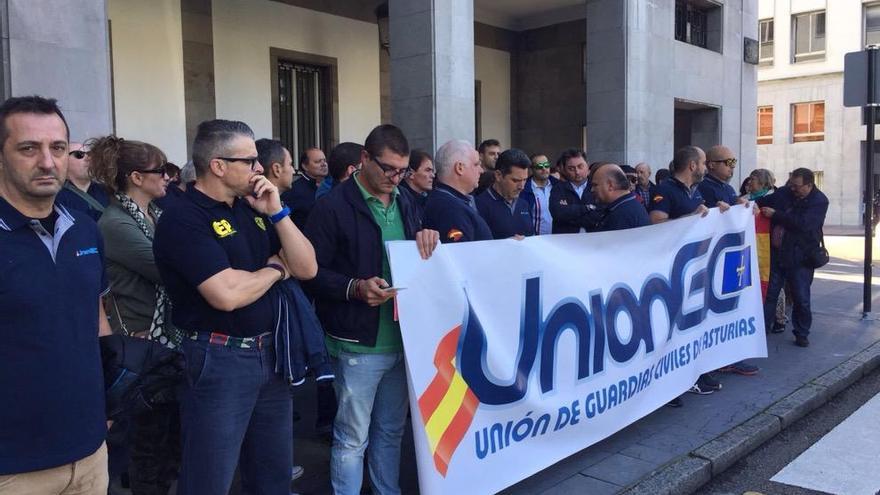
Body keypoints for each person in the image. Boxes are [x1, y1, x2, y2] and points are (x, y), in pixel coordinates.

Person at [153, 119, 318, 494]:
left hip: (270, 355)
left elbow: (307, 267)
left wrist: (276, 211)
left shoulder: (252, 207)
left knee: (273, 476)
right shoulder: (184, 218)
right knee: (210, 478)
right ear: (217, 165)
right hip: (218, 359)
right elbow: (225, 294)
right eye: (250, 161)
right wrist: (276, 270)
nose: (259, 169)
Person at [303, 124, 439, 495]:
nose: (395, 178)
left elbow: (416, 257)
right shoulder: (331, 207)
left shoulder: (406, 200)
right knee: (351, 438)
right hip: (357, 344)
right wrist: (354, 288)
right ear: (364, 159)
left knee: (391, 431)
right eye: (388, 169)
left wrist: (427, 238)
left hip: (401, 339)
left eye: (402, 171)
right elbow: (310, 272)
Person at [0, 95, 111, 493]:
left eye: (58, 148)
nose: (47, 162)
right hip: (13, 468)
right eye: (28, 148)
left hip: (89, 452)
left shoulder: (85, 228)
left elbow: (95, 316)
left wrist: (107, 401)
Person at [90, 135, 182, 494]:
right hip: (141, 341)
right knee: (148, 442)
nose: (167, 177)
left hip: (162, 337)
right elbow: (167, 268)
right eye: (159, 170)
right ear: (136, 177)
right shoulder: (116, 224)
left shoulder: (153, 215)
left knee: (167, 437)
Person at [759, 168, 828, 348]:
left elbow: (804, 224)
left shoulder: (819, 201)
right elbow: (763, 202)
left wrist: (776, 215)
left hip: (801, 257)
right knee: (770, 294)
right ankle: (762, 331)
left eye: (797, 187)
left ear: (809, 185)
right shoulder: (785, 192)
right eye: (791, 185)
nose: (793, 189)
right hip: (778, 253)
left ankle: (802, 333)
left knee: (801, 297)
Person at [423, 139, 493, 243]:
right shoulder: (449, 209)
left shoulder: (448, 201)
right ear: (459, 168)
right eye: (476, 164)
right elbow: (463, 253)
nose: (481, 170)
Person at [475, 148, 534, 239]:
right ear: (498, 175)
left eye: (525, 180)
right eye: (515, 180)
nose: (521, 187)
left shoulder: (524, 204)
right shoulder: (478, 206)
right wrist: (504, 244)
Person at [649, 146, 710, 224]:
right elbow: (655, 224)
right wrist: (692, 216)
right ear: (693, 165)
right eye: (704, 163)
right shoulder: (664, 190)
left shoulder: (695, 190)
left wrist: (719, 210)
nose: (706, 169)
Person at [549, 148, 601, 233]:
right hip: (565, 241)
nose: (577, 172)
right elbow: (558, 214)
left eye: (580, 166)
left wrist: (569, 215)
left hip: (593, 239)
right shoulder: (558, 189)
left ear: (587, 166)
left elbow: (599, 215)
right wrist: (587, 208)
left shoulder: (597, 186)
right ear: (564, 169)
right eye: (571, 168)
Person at [56, 141, 110, 221]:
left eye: (90, 154)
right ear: (64, 161)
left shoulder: (106, 190)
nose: (89, 158)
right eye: (79, 154)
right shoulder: (56, 196)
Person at [590, 163, 650, 231]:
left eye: (595, 185)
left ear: (610, 185)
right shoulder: (628, 205)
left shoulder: (622, 214)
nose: (592, 189)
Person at [282, 146, 327, 230]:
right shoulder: (294, 190)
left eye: (324, 160)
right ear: (305, 166)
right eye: (317, 161)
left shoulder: (331, 186)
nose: (324, 164)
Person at [698, 145, 747, 209]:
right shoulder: (700, 187)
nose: (732, 166)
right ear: (712, 165)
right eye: (729, 162)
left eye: (733, 162)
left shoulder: (729, 188)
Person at [520, 153, 558, 235]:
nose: (544, 169)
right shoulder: (524, 189)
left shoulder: (558, 185)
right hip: (536, 240)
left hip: (557, 239)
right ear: (531, 169)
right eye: (540, 166)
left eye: (546, 165)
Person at [399, 148, 434, 215]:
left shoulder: (430, 199)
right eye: (427, 170)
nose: (433, 175)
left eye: (432, 171)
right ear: (411, 173)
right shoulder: (400, 201)